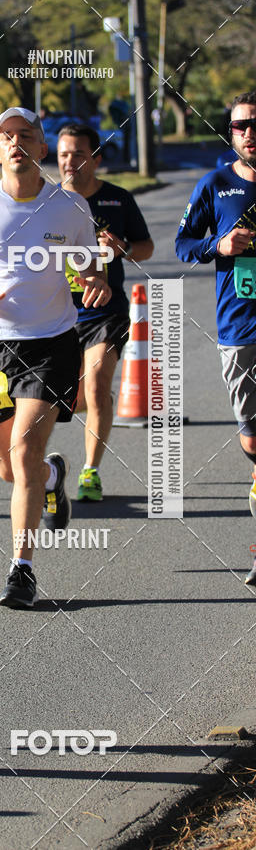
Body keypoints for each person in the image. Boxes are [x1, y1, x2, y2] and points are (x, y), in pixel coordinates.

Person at [0, 107, 111, 609]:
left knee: (24, 451)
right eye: (6, 137)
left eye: (26, 136)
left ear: (40, 149)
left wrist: (95, 280)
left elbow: (86, 266)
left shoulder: (71, 206)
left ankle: (22, 569)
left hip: (50, 343)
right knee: (9, 470)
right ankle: (53, 479)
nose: (16, 143)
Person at [175, 90, 256, 584]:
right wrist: (219, 244)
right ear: (231, 133)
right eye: (241, 126)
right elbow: (184, 245)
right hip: (241, 328)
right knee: (253, 443)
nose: (250, 132)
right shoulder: (216, 184)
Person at [57, 124, 154, 501]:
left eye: (78, 154)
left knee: (97, 389)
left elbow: (145, 248)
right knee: (73, 398)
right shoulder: (46, 204)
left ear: (96, 158)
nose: (70, 162)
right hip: (57, 315)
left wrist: (123, 247)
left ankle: (89, 472)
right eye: (64, 154)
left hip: (105, 312)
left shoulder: (118, 199)